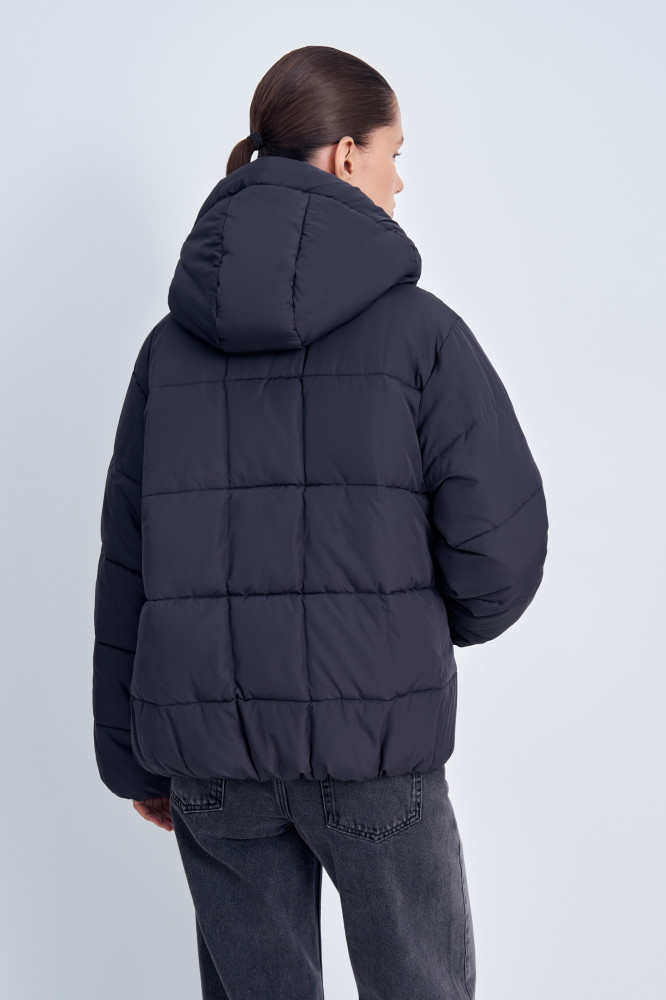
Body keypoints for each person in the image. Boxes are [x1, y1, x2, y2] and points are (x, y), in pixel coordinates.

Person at [92, 44, 548, 1000]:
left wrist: (132, 759)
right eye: (393, 153)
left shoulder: (167, 353)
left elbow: (128, 562)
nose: (399, 179)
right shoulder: (421, 333)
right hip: (374, 744)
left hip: (212, 760)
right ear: (346, 156)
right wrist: (410, 629)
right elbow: (499, 547)